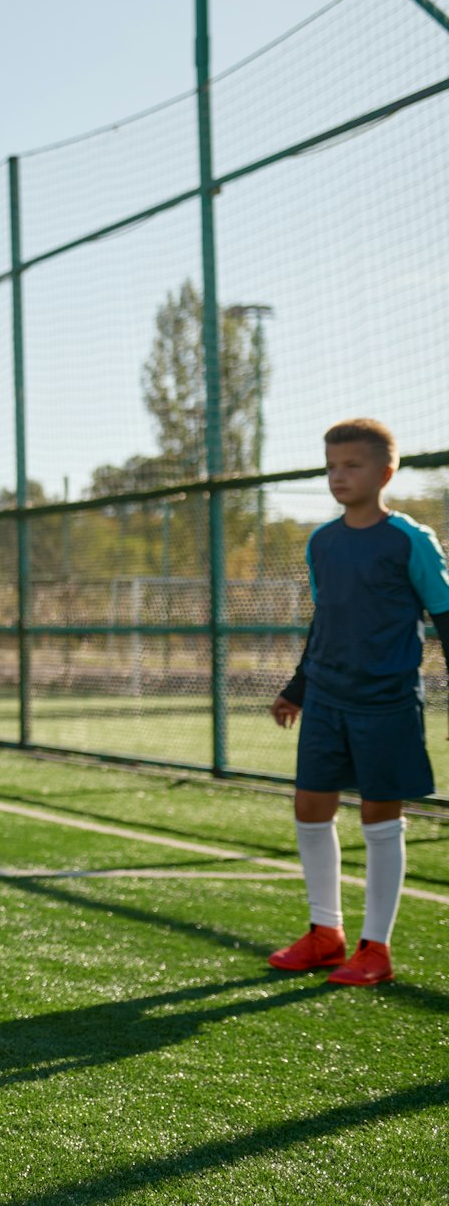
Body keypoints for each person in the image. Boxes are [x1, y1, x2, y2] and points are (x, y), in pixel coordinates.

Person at [268, 418, 449, 987]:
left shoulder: (410, 540)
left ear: (385, 472)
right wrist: (298, 687)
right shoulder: (322, 541)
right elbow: (326, 621)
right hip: (326, 698)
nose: (338, 476)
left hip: (386, 703)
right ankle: (326, 933)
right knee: (309, 808)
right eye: (331, 466)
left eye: (352, 465)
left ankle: (376, 947)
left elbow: (446, 617)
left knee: (379, 817)